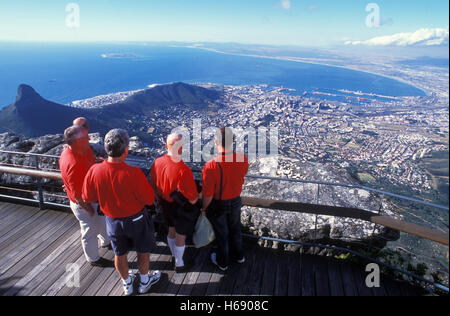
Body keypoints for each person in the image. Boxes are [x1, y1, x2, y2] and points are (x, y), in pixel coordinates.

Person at [82, 129, 161, 296]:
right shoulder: (133, 174)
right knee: (142, 250)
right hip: (137, 219)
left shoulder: (94, 171)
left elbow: (87, 197)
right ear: (126, 150)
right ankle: (145, 281)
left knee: (120, 253)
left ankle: (127, 283)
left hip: (112, 220)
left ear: (106, 148)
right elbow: (148, 199)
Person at [59, 125, 111, 267]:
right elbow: (77, 195)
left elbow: (90, 163)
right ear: (76, 141)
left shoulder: (82, 150)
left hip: (93, 198)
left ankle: (106, 242)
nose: (89, 138)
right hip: (85, 204)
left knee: (100, 222)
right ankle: (93, 259)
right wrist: (89, 209)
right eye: (85, 137)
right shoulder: (73, 163)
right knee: (89, 231)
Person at [149, 133, 199, 273]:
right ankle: (179, 263)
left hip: (164, 204)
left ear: (166, 145)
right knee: (180, 235)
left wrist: (159, 199)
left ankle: (173, 255)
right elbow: (193, 198)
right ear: (181, 148)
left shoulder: (157, 162)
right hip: (179, 208)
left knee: (171, 230)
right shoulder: (183, 170)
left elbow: (153, 184)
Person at [202, 127, 249, 271]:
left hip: (218, 204)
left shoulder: (211, 166)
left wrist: (203, 209)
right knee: (235, 229)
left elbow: (208, 193)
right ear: (233, 140)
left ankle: (223, 262)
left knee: (222, 234)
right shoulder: (242, 159)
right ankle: (239, 256)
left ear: (216, 142)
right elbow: (242, 174)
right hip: (235, 200)